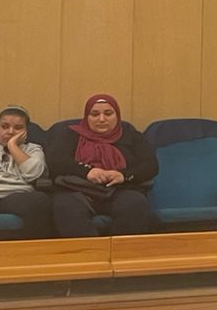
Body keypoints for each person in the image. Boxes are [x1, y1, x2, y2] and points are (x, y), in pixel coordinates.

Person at [46, 94, 158, 237]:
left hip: (119, 190)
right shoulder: (70, 134)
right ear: (86, 117)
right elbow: (55, 161)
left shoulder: (131, 136)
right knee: (65, 207)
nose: (101, 119)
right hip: (76, 191)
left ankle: (119, 250)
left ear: (117, 116)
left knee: (135, 203)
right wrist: (87, 172)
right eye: (94, 114)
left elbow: (150, 165)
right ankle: (88, 251)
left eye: (108, 113)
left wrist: (123, 175)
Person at [0, 106, 50, 237]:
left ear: (25, 131)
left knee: (40, 201)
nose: (10, 131)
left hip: (19, 193)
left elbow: (34, 174)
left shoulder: (33, 149)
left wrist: (12, 146)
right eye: (4, 126)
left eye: (18, 128)